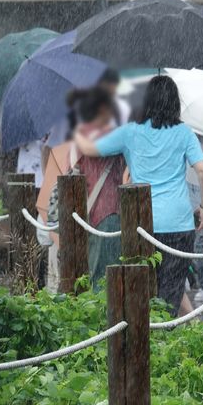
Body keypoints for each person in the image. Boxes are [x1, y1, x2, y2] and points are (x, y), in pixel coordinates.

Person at [74, 76, 203, 316]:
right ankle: (166, 338)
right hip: (179, 223)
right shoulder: (185, 133)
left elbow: (89, 149)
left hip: (142, 223)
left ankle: (145, 341)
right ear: (174, 103)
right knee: (171, 290)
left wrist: (76, 128)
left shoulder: (130, 133)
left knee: (142, 288)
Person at [69, 87, 126, 289]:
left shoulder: (82, 134)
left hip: (92, 213)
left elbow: (77, 164)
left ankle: (100, 317)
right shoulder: (114, 134)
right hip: (109, 212)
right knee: (109, 276)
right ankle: (111, 318)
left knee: (96, 274)